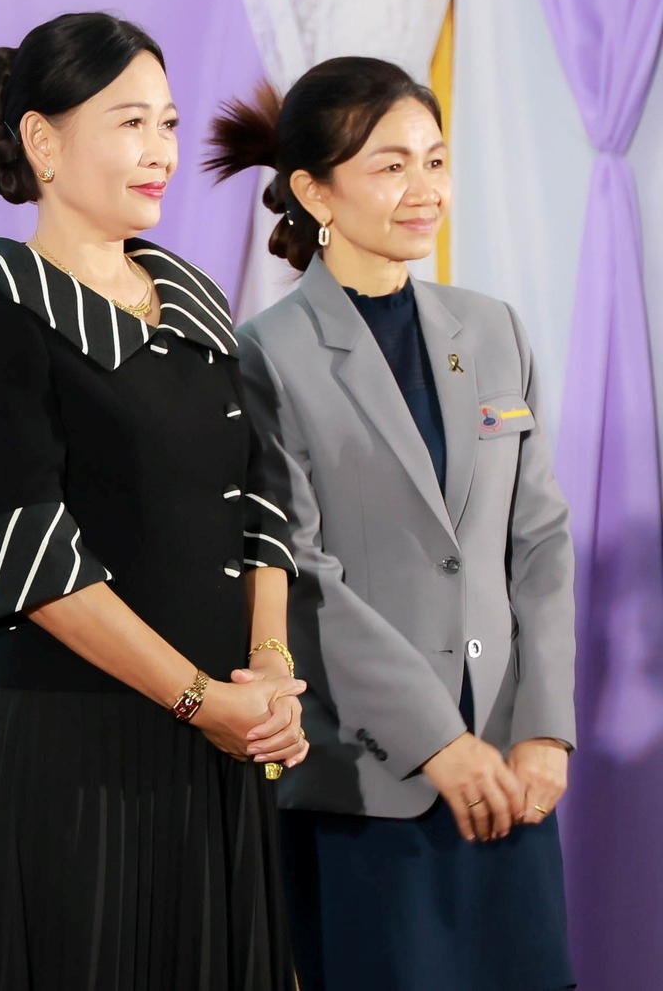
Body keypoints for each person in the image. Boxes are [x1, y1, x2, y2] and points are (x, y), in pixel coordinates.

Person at [0, 12, 308, 990]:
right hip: (79, 747)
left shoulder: (195, 300)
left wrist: (268, 676)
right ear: (43, 141)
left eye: (169, 123)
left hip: (220, 738)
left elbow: (264, 502)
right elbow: (35, 559)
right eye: (130, 122)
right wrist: (202, 700)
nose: (160, 152)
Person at [209, 57, 576, 991]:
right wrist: (435, 740)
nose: (426, 190)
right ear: (313, 191)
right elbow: (299, 572)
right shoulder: (264, 355)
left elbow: (537, 540)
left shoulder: (493, 329)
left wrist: (544, 728)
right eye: (392, 166)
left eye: (436, 161)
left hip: (507, 771)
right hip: (368, 783)